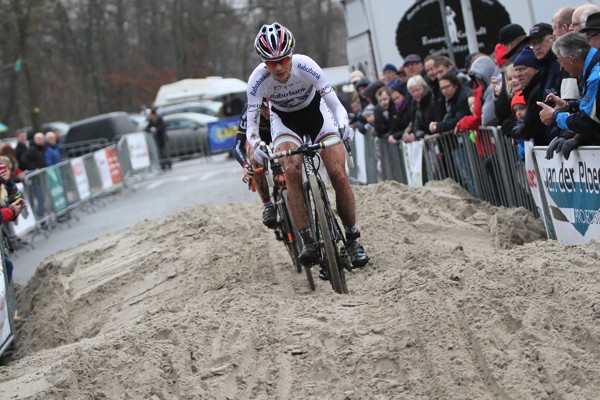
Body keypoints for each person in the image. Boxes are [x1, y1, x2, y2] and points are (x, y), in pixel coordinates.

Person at [247, 22, 369, 271]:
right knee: (291, 170)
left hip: (318, 115)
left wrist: (344, 125)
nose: (279, 67)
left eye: (283, 59)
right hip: (284, 122)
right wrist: (257, 144)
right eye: (271, 63)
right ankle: (308, 239)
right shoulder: (257, 81)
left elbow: (335, 105)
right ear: (264, 62)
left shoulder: (306, 65)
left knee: (337, 173)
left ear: (291, 56)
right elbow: (251, 126)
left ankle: (352, 238)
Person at [539, 32, 600, 159]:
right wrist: (568, 106)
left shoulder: (596, 77)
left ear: (571, 59)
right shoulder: (593, 68)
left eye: (560, 60)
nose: (561, 66)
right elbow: (595, 107)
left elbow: (586, 121)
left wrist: (555, 116)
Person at [232, 99, 276, 228]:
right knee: (253, 155)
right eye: (264, 109)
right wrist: (245, 166)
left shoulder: (280, 101)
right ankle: (268, 206)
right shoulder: (250, 109)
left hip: (279, 135)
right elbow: (237, 145)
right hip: (258, 138)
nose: (268, 112)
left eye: (270, 108)